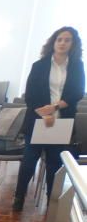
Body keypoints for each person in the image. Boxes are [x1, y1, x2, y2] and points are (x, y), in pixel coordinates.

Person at [12, 26, 85, 211]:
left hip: (62, 121)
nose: (62, 43)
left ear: (73, 44)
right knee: (29, 161)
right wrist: (45, 114)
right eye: (59, 39)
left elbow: (77, 92)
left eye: (67, 40)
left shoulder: (77, 66)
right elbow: (30, 95)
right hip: (37, 120)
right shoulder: (40, 65)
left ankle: (52, 200)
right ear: (53, 42)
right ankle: (19, 197)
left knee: (54, 164)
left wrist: (53, 108)